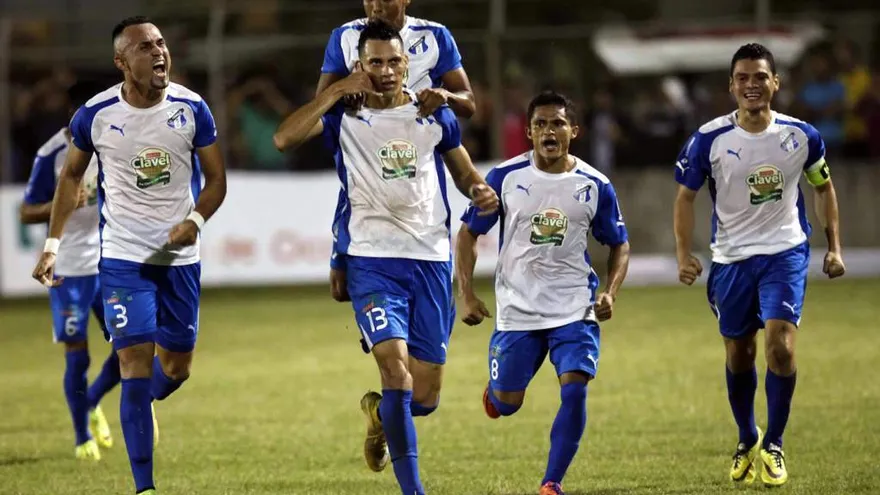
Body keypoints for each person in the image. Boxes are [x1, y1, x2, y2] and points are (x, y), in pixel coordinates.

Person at [274, 19, 497, 495]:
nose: (386, 70)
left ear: (407, 63)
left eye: (394, 61)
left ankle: (381, 414)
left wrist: (479, 191)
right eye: (374, 62)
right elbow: (284, 138)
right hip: (372, 260)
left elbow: (462, 173)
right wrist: (334, 92)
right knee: (394, 370)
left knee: (425, 396)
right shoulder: (344, 114)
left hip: (430, 258)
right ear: (360, 66)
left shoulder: (433, 112)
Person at [31, 15, 227, 495]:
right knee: (133, 363)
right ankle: (145, 487)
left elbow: (218, 180)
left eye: (161, 43)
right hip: (121, 257)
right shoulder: (95, 115)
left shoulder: (192, 107)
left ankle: (144, 401)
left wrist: (195, 222)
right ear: (122, 62)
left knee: (175, 369)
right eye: (145, 47)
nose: (159, 52)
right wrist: (52, 245)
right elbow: (71, 177)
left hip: (178, 257)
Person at [673, 43, 845, 487]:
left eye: (760, 77)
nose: (752, 85)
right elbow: (685, 197)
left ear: (775, 83)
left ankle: (775, 444)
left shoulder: (801, 136)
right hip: (730, 259)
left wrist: (833, 246)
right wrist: (683, 254)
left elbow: (823, 188)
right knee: (739, 352)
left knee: (781, 348)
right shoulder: (708, 139)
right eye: (743, 78)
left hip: (784, 252)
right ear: (731, 86)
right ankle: (747, 436)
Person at [455, 91, 630, 495]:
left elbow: (619, 243)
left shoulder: (594, 184)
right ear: (529, 132)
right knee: (508, 403)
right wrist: (466, 293)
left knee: (575, 385)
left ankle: (551, 483)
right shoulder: (504, 178)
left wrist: (610, 292)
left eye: (557, 124)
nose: (549, 132)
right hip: (518, 308)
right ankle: (497, 396)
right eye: (540, 125)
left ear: (574, 130)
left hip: (574, 306)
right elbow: (467, 235)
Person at [317, 0, 478, 304]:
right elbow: (321, 102)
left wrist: (445, 95)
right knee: (340, 290)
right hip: (365, 153)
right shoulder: (345, 36)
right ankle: (379, 311)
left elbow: (468, 103)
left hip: (415, 151)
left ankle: (390, 320)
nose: (376, 3)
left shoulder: (434, 36)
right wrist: (344, 94)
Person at [19, 80, 120, 462]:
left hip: (112, 261)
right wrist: (60, 204)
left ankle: (92, 401)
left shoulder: (115, 142)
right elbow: (26, 211)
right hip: (71, 271)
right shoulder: (53, 154)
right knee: (78, 358)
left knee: (136, 346)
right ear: (76, 113)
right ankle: (82, 437)